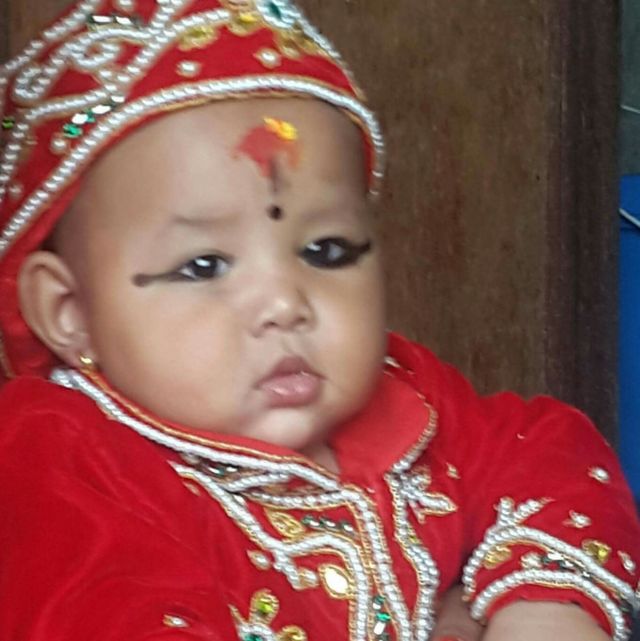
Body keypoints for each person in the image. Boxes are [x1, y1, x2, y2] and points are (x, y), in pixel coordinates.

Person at [0, 1, 638, 640]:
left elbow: (547, 454)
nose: (285, 305)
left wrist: (544, 606)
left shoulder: (406, 400)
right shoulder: (57, 468)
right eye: (203, 266)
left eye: (326, 251)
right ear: (69, 311)